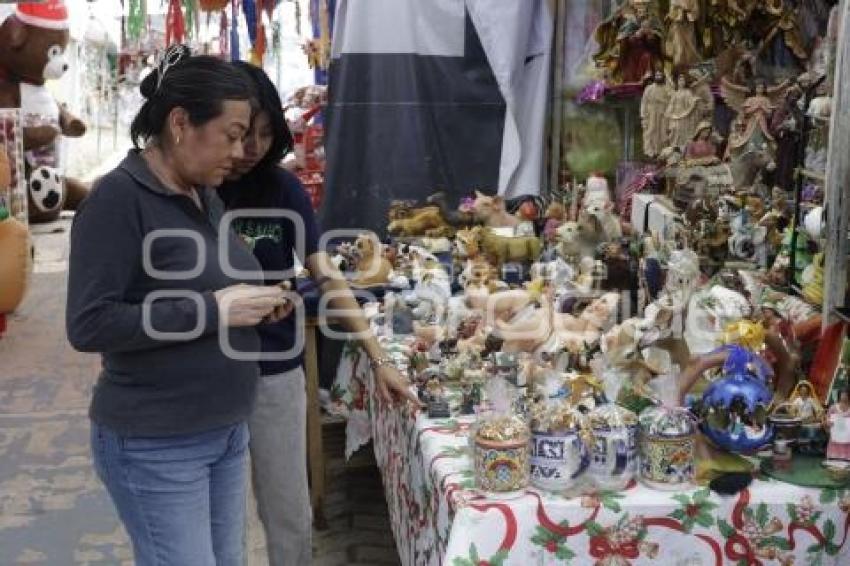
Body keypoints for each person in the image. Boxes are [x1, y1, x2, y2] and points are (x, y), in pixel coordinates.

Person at [66, 46, 287, 566]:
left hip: (225, 429)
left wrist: (257, 304)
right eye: (232, 135)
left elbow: (215, 289)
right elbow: (89, 322)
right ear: (182, 123)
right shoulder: (117, 200)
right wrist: (213, 310)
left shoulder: (204, 195)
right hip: (157, 442)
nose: (241, 151)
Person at [217, 62, 417, 566]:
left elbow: (327, 275)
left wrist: (377, 358)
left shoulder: (281, 190)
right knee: (220, 520)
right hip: (208, 373)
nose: (251, 148)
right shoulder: (198, 188)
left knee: (288, 509)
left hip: (275, 371)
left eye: (264, 134)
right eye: (240, 134)